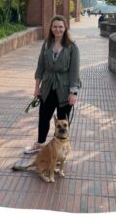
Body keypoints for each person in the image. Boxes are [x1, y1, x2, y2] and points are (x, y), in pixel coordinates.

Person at [24, 15, 81, 154]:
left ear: (65, 28)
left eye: (60, 27)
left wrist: (73, 93)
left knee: (62, 122)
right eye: (55, 26)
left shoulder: (72, 47)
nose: (58, 29)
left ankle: (61, 149)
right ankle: (39, 144)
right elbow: (40, 67)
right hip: (48, 87)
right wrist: (37, 88)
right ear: (51, 28)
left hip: (64, 89)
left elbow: (74, 71)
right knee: (44, 117)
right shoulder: (46, 44)